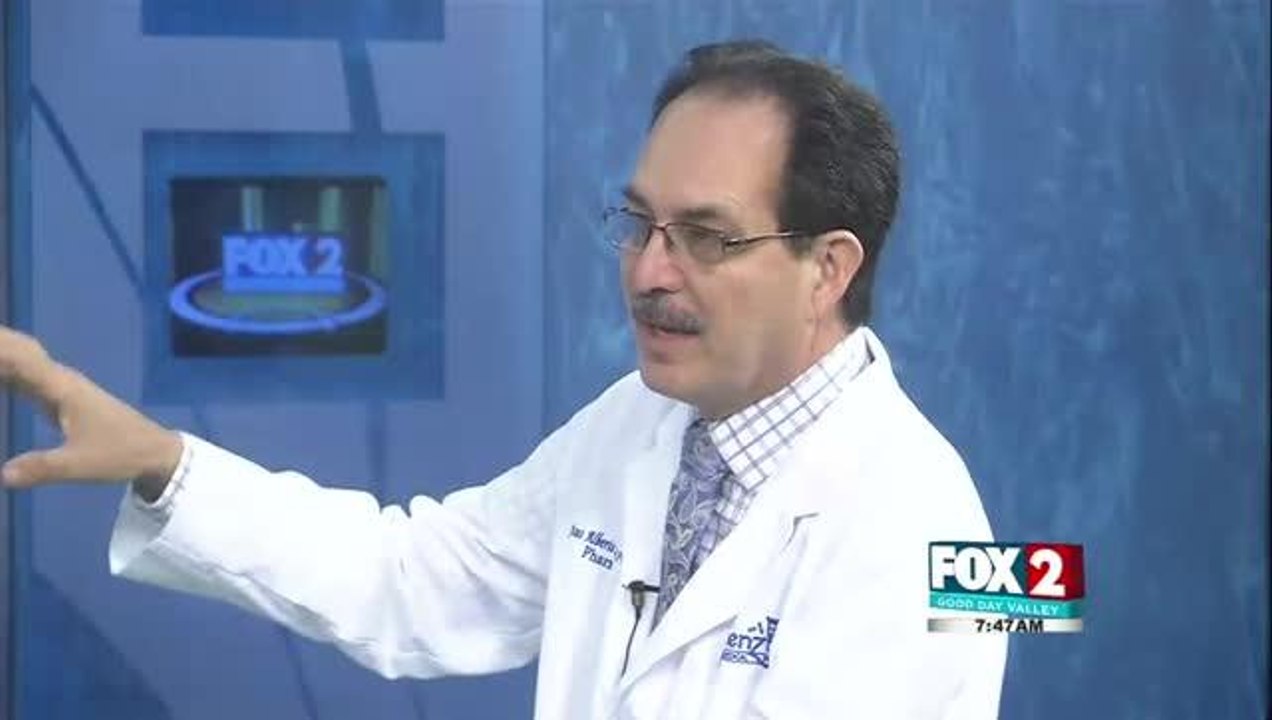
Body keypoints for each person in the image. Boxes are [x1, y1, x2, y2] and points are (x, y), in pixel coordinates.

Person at [0, 41, 1006, 718]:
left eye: (705, 236)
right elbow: (417, 584)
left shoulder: (932, 536)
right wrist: (164, 463)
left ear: (828, 268)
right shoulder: (639, 421)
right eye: (640, 223)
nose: (649, 272)